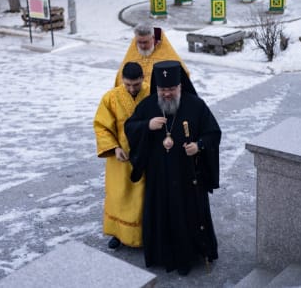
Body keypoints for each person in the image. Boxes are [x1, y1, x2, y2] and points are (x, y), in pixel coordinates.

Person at [124, 60, 221, 276]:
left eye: (171, 89)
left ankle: (190, 256)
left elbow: (213, 133)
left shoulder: (196, 105)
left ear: (180, 86)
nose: (167, 94)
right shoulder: (148, 106)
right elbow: (129, 127)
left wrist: (199, 146)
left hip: (188, 176)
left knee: (187, 215)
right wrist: (146, 126)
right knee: (162, 214)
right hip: (159, 176)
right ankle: (163, 255)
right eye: (162, 89)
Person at [93, 62, 149, 250]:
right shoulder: (110, 98)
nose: (132, 89)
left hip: (146, 156)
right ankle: (118, 233)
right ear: (122, 81)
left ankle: (144, 234)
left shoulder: (152, 93)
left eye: (136, 84)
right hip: (120, 158)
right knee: (118, 196)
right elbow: (101, 126)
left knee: (142, 198)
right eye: (128, 85)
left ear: (142, 78)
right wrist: (114, 147)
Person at [114, 22, 189, 88]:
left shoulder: (167, 55)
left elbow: (183, 77)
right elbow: (120, 79)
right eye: (139, 42)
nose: (142, 46)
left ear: (153, 38)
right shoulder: (132, 53)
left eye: (145, 42)